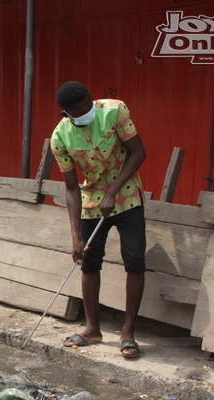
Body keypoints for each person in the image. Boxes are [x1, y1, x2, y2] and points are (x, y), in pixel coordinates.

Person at [50, 81, 147, 358]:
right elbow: (70, 188)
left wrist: (113, 191)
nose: (87, 112)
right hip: (92, 201)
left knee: (135, 260)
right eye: (79, 112)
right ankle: (92, 328)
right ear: (66, 114)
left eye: (88, 106)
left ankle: (128, 334)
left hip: (126, 195)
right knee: (89, 261)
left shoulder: (115, 111)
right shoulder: (61, 138)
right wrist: (75, 237)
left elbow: (139, 153)